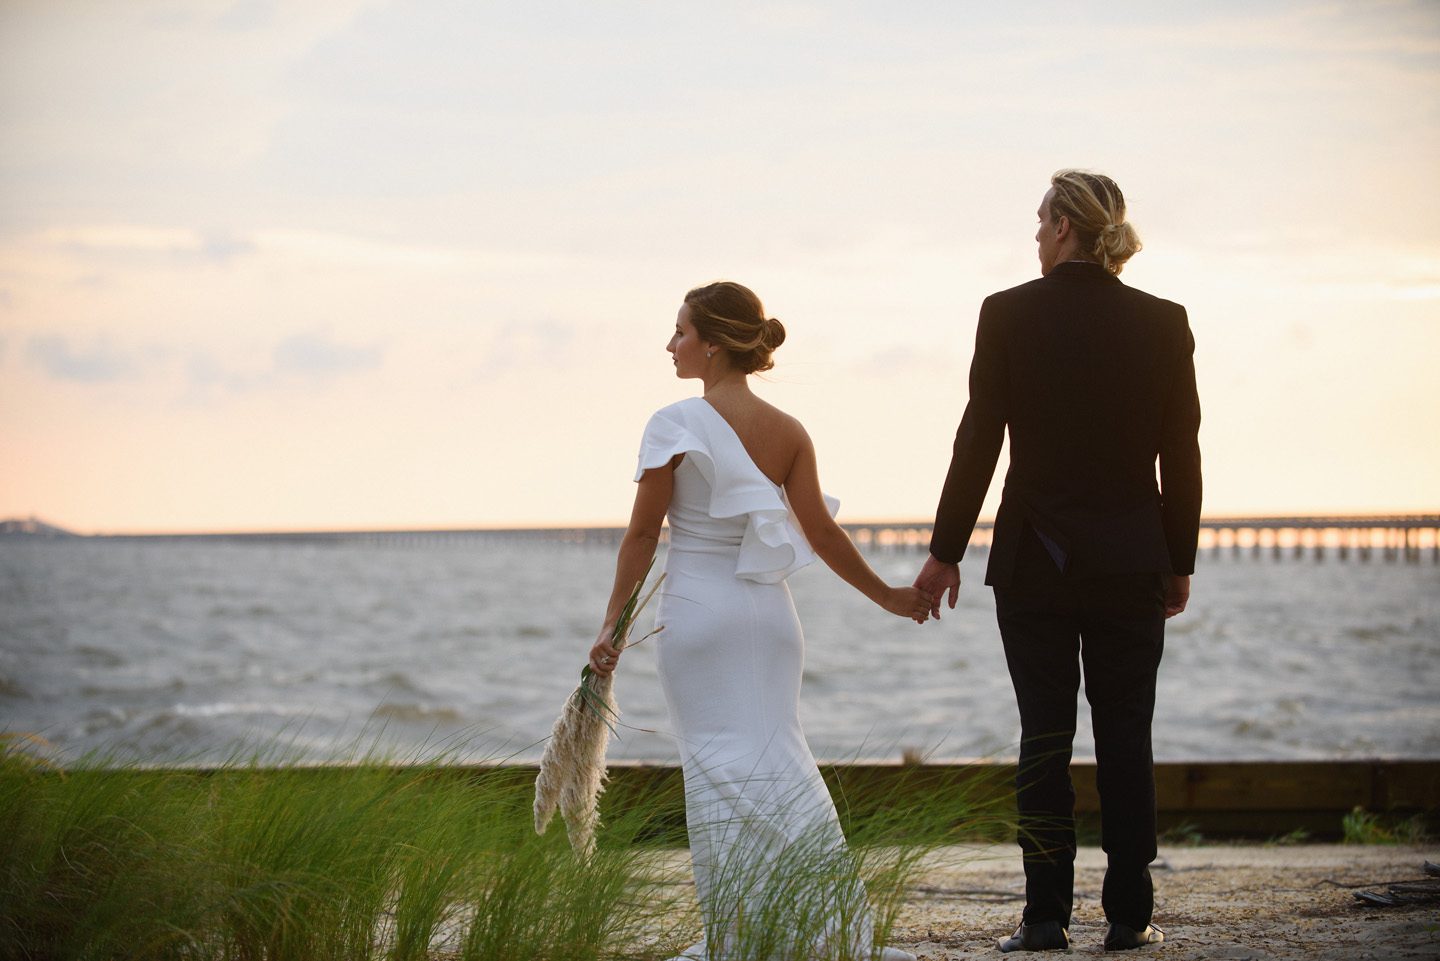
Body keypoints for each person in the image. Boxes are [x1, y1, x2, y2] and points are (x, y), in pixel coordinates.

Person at [588, 281, 928, 961]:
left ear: (712, 343)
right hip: (771, 620)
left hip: (700, 615)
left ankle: (743, 937)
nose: (671, 343)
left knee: (715, 766)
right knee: (781, 757)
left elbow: (642, 536)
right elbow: (824, 535)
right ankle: (823, 925)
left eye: (680, 331)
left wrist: (613, 627)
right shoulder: (789, 431)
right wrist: (888, 595)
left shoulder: (673, 422)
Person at [914, 170, 1202, 953]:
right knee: (1126, 733)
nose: (1036, 237)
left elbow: (979, 437)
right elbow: (1181, 452)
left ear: (1067, 226)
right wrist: (1180, 557)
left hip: (1035, 560)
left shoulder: (1007, 314)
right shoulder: (1164, 321)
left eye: (1041, 223)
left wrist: (945, 552)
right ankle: (1130, 916)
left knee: (1043, 734)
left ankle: (1044, 918)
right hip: (1132, 560)